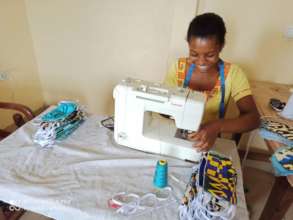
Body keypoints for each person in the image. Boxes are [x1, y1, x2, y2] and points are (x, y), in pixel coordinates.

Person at [164, 12, 260, 152]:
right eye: (194, 54)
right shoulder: (178, 68)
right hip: (174, 136)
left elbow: (253, 118)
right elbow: (163, 107)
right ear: (188, 45)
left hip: (209, 140)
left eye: (210, 55)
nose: (201, 62)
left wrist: (216, 126)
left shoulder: (233, 74)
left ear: (221, 47)